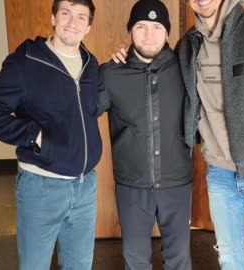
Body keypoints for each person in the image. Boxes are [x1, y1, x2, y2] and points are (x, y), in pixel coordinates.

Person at [114, 0, 244, 269]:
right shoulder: (188, 46)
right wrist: (126, 58)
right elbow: (155, 68)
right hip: (220, 175)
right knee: (230, 259)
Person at [0, 0, 101, 269]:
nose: (72, 22)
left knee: (80, 265)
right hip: (42, 187)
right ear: (53, 18)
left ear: (89, 27)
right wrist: (35, 136)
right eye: (65, 13)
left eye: (81, 17)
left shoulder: (91, 65)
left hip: (85, 185)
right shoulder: (26, 62)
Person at [97, 0, 193, 269]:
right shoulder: (110, 73)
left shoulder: (186, 69)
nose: (148, 34)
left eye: (156, 26)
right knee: (135, 258)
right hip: (132, 185)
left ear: (167, 32)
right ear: (130, 31)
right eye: (141, 26)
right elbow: (82, 112)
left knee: (179, 258)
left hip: (177, 182)